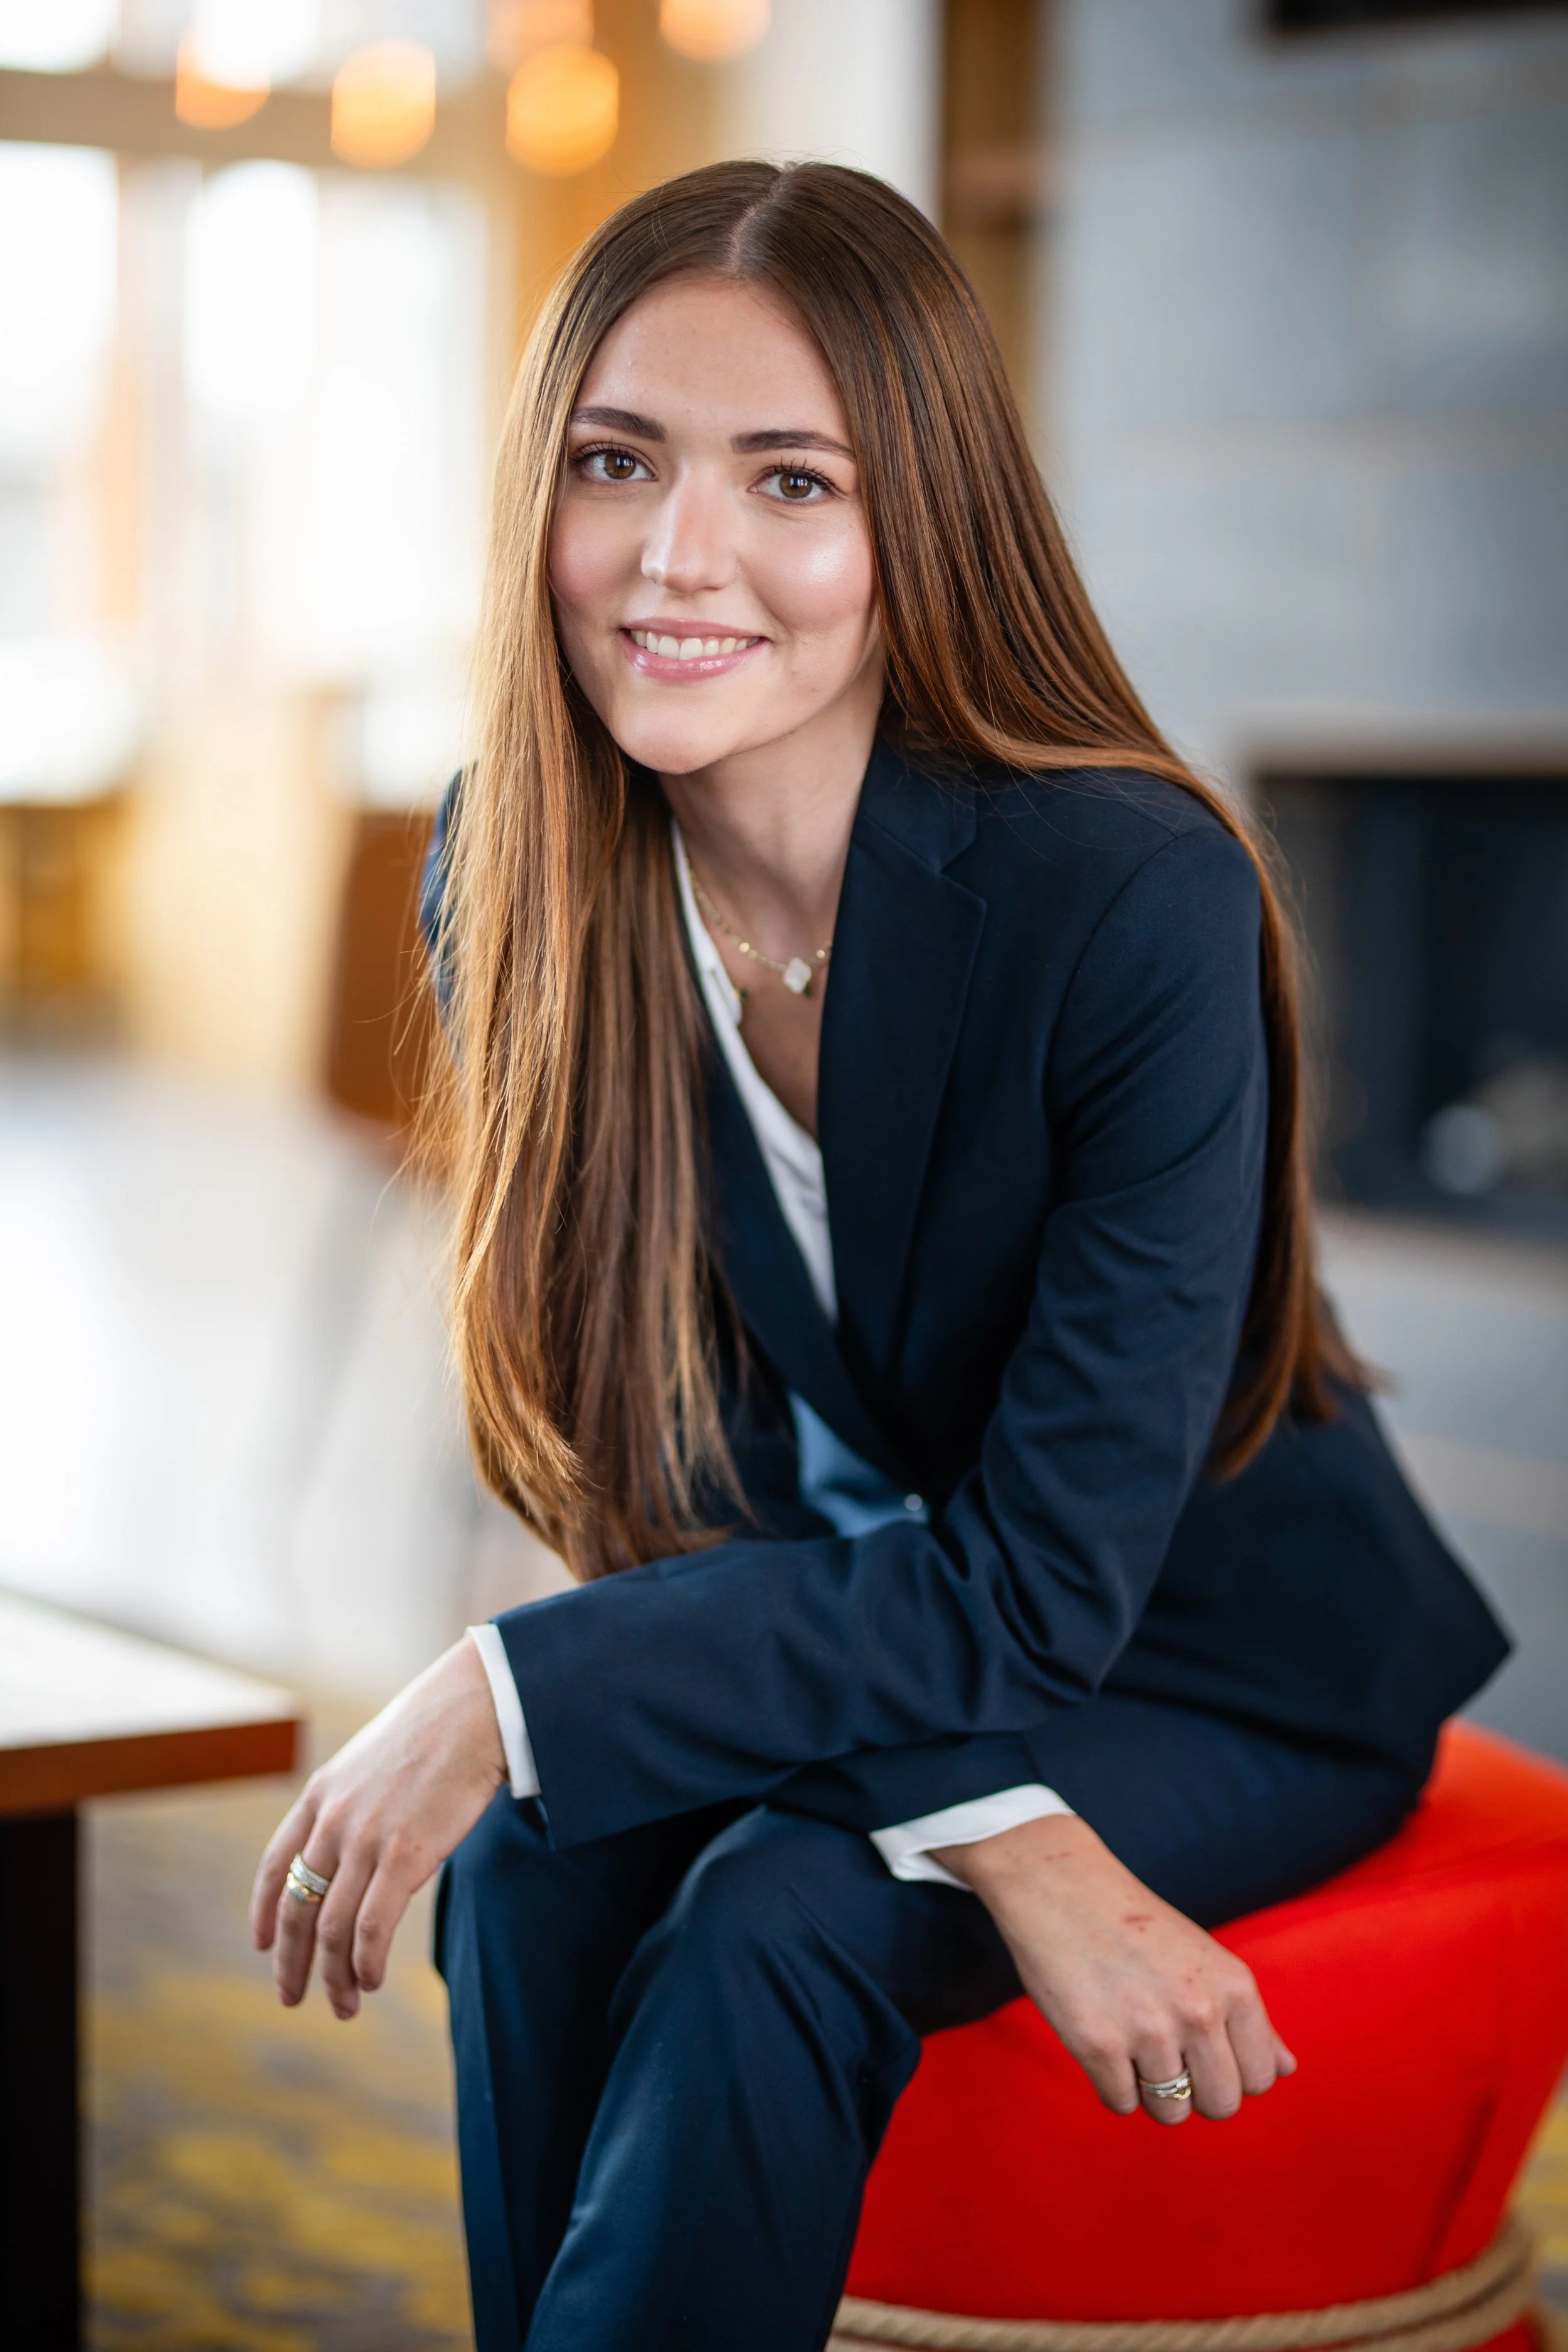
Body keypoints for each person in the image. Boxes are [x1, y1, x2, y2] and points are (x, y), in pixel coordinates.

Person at [252, 161, 1507, 2352]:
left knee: (774, 1913)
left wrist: (505, 1682)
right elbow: (646, 1456)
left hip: (1209, 1658)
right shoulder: (516, 860)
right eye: (615, 462)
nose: (677, 556)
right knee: (542, 1862)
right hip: (874, 1630)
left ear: (913, 524)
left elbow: (1040, 1585)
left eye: (789, 479)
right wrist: (1007, 1831)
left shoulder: (1125, 892)